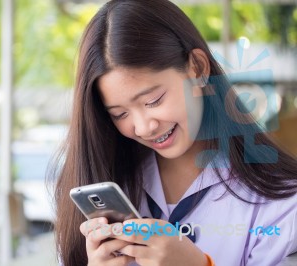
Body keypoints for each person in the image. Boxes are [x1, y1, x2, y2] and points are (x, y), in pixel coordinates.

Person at [51, 0, 297, 265]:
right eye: (120, 114)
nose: (144, 127)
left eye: (153, 100)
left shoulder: (283, 204)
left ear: (198, 68)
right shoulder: (107, 182)